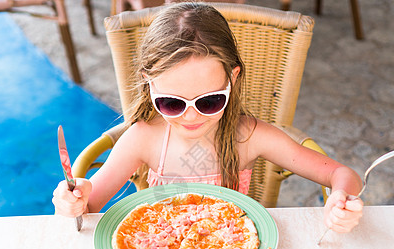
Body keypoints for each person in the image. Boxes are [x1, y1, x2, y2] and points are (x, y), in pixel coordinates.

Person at [52, 2, 363, 233]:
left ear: (233, 79)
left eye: (210, 101)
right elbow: (89, 206)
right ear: (149, 84)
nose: (191, 116)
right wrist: (75, 197)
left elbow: (343, 175)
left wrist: (341, 199)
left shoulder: (249, 136)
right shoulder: (143, 138)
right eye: (172, 103)